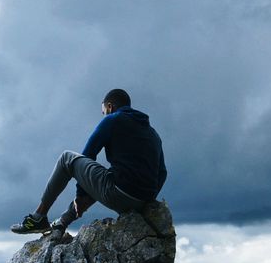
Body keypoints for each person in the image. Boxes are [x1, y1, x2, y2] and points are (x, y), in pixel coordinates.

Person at [11, 88, 167, 235]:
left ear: (110, 106)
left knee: (67, 158)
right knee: (105, 176)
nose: (104, 115)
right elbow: (162, 173)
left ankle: (38, 217)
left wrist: (80, 195)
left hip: (119, 195)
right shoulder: (153, 133)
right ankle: (62, 222)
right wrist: (146, 200)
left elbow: (88, 154)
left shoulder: (113, 120)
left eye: (104, 112)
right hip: (142, 202)